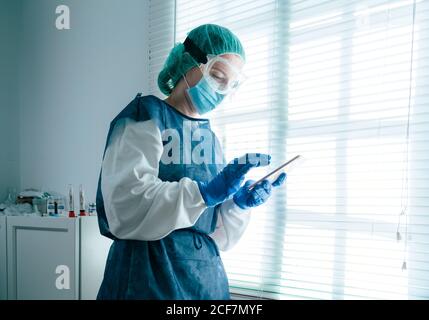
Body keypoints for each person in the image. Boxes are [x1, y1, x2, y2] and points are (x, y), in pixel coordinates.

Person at [96, 24, 286, 300]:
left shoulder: (209, 139)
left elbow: (215, 231)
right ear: (189, 62)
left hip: (204, 279)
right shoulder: (145, 117)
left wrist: (236, 205)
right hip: (148, 274)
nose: (221, 91)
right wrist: (204, 193)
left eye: (230, 85)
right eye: (218, 76)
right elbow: (125, 204)